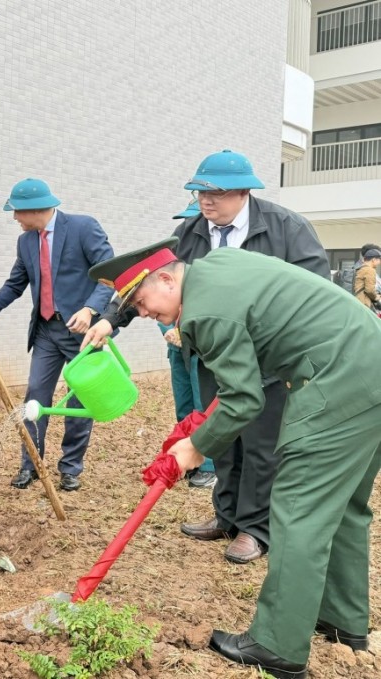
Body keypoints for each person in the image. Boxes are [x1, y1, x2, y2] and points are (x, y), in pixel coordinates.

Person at [89, 239, 381, 679]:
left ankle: (277, 645)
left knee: (299, 510)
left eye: (141, 301)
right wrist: (197, 427)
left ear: (167, 279)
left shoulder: (205, 311)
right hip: (369, 364)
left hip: (335, 380)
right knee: (344, 507)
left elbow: (243, 400)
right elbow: (244, 370)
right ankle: (343, 620)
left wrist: (194, 448)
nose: (143, 313)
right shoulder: (217, 267)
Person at [82, 150, 329, 563]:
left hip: (270, 360)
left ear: (244, 192)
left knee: (261, 444)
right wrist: (111, 320)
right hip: (215, 353)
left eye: (215, 194)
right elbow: (151, 280)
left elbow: (315, 290)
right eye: (199, 193)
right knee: (223, 436)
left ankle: (255, 528)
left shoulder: (287, 228)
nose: (205, 202)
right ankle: (227, 515)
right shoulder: (193, 232)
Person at [0, 178, 114, 492]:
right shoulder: (26, 242)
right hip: (47, 330)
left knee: (79, 400)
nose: (14, 218)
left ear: (34, 210)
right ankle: (31, 463)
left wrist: (90, 310)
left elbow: (109, 275)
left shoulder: (83, 228)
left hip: (83, 333)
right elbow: (15, 284)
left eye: (17, 212)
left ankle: (71, 468)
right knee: (35, 394)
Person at [164, 198, 214, 489]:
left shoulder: (210, 266)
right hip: (176, 345)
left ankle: (207, 464)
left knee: (202, 403)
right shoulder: (175, 260)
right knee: (183, 403)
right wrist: (167, 328)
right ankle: (185, 457)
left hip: (201, 346)